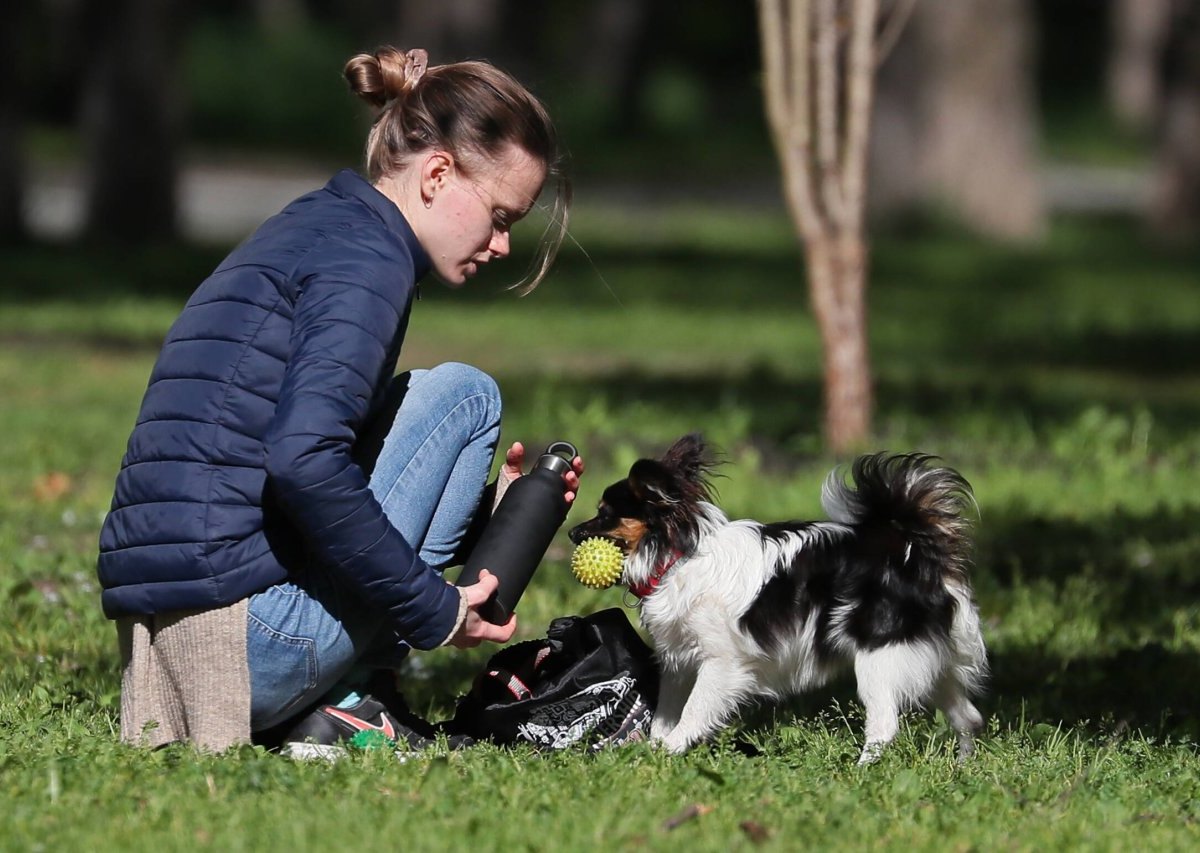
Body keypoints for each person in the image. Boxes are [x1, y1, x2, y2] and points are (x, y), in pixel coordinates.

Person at [96, 46, 583, 754]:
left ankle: (333, 695)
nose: (503, 244)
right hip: (246, 652)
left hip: (166, 652)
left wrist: (490, 514)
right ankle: (352, 699)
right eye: (501, 216)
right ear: (438, 173)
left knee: (414, 402)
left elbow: (289, 456)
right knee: (463, 397)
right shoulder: (368, 267)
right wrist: (434, 609)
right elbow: (301, 460)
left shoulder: (318, 226)